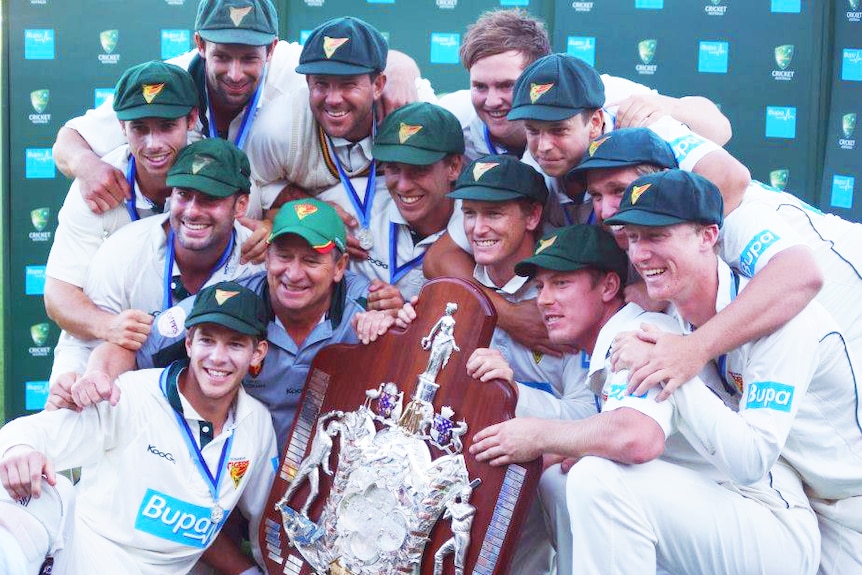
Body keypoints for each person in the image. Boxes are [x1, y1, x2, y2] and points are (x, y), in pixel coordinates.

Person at [469, 223, 821, 574]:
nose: (544, 299)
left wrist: (537, 436)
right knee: (560, 479)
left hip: (768, 525)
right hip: (715, 516)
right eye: (540, 286)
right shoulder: (602, 347)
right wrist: (514, 394)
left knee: (596, 477)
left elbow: (636, 437)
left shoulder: (643, 332)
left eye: (561, 283)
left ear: (608, 286)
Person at [604, 170, 862, 574]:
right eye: (633, 238)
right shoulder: (674, 312)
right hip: (787, 497)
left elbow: (749, 460)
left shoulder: (783, 319)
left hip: (849, 504)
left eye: (656, 235)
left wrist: (671, 366)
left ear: (709, 237)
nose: (639, 255)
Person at [61, 199, 397, 449]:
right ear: (266, 256)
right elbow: (130, 343)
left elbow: (414, 342)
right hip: (238, 460)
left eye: (311, 260)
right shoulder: (228, 299)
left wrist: (393, 324)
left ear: (339, 267)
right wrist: (99, 378)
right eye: (283, 256)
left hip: (330, 465)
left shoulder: (367, 305)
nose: (293, 274)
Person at [0, 281, 277, 575]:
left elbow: (269, 521)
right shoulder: (131, 395)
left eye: (235, 344)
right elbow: (33, 432)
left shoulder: (257, 424)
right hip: (78, 559)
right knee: (39, 495)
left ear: (257, 353)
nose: (218, 357)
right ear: (188, 343)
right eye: (207, 340)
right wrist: (19, 450)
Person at [49, 138, 263, 387]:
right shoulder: (123, 251)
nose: (192, 211)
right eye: (184, 194)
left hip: (225, 409)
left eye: (209, 198)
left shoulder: (260, 265)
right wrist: (70, 380)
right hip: (134, 404)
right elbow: (83, 343)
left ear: (241, 205)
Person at [44, 60, 199, 355]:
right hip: (104, 338)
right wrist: (109, 326)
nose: (154, 144)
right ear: (121, 126)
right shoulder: (94, 185)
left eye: (167, 126)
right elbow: (58, 295)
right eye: (139, 128)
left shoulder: (214, 172)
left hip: (193, 342)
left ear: (191, 120)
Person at [245, 16, 394, 258]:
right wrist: (315, 212)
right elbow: (252, 185)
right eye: (321, 84)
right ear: (307, 82)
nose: (333, 99)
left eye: (348, 84)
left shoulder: (402, 120)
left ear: (378, 85)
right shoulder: (279, 126)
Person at [349, 102, 464, 300]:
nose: (402, 186)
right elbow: (280, 204)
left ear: (453, 167)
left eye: (419, 169)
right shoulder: (358, 201)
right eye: (393, 168)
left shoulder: (480, 229)